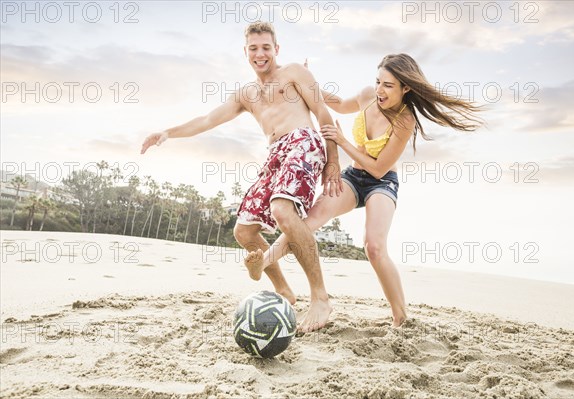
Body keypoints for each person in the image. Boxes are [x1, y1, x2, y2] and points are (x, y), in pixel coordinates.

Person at [245, 53, 483, 327]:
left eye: (389, 85)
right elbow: (339, 104)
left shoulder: (405, 121)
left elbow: (379, 169)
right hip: (354, 177)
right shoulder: (369, 95)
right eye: (378, 81)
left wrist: (343, 142)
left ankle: (400, 317)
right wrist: (306, 83)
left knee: (374, 246)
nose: (380, 90)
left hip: (382, 183)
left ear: (406, 88)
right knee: (306, 223)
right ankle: (262, 263)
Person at [140, 21, 343, 333]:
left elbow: (324, 113)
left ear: (277, 49)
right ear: (246, 52)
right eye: (253, 48)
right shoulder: (246, 94)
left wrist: (333, 161)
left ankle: (320, 296)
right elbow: (207, 119)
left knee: (282, 209)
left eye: (266, 47)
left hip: (304, 142)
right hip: (276, 152)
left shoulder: (294, 73)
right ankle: (285, 291)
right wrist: (167, 132)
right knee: (244, 232)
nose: (260, 54)